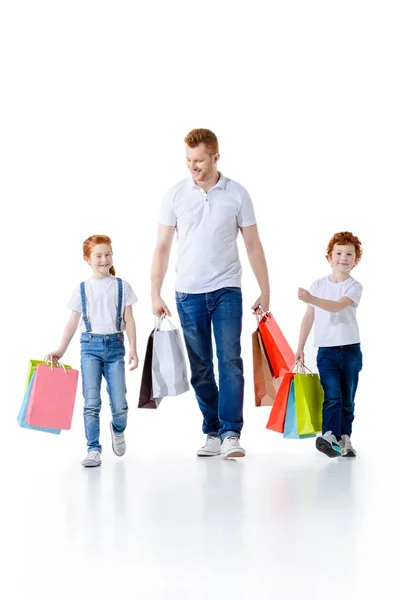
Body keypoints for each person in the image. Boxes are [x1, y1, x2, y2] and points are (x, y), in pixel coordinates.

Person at [151, 128, 270, 459]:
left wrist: (265, 288)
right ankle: (212, 431)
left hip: (226, 289)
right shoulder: (174, 195)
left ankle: (232, 432)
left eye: (199, 160)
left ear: (216, 157)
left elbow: (253, 244)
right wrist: (154, 293)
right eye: (188, 161)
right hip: (187, 294)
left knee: (230, 360)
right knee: (200, 366)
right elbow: (162, 247)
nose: (193, 167)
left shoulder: (237, 194)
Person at [49, 235, 139, 467]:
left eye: (107, 254)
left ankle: (118, 430)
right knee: (91, 402)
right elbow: (71, 323)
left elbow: (129, 320)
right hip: (90, 348)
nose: (104, 259)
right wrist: (61, 348)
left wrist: (133, 349)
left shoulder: (122, 286)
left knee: (119, 402)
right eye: (98, 255)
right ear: (87, 259)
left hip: (116, 348)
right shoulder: (82, 289)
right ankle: (93, 449)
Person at [295, 231, 363, 458]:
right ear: (329, 257)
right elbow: (309, 317)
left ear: (356, 260)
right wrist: (300, 347)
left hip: (351, 351)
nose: (343, 258)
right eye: (339, 253)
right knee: (332, 395)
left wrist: (311, 298)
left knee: (347, 399)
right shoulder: (317, 285)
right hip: (326, 352)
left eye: (349, 254)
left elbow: (336, 306)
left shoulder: (354, 287)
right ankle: (329, 436)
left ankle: (345, 439)